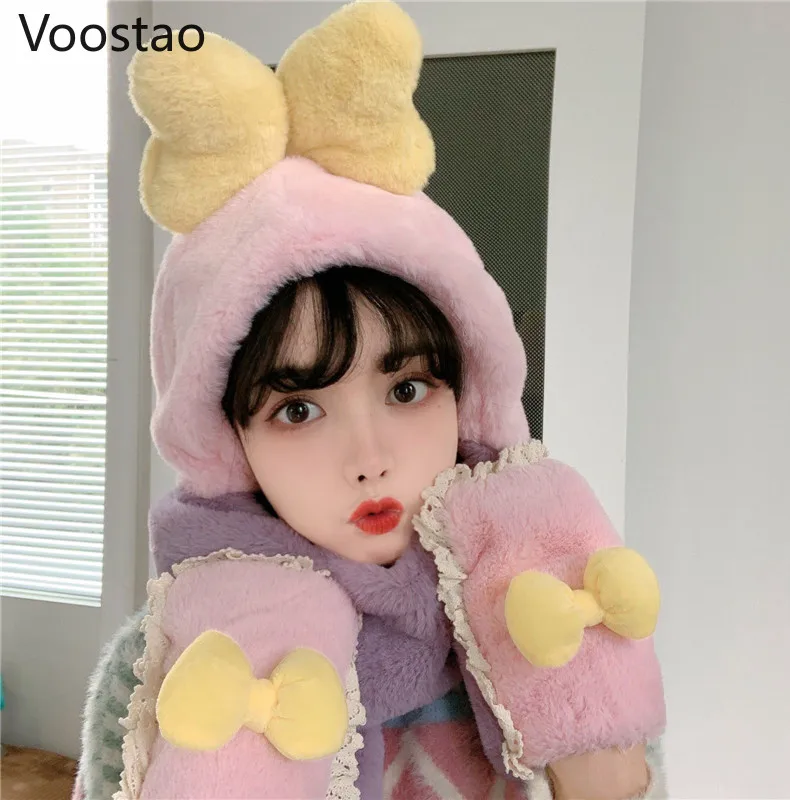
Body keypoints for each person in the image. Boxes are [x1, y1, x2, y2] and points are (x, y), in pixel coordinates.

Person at [73, 3, 666, 798]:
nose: (371, 459)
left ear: (468, 393)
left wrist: (602, 768)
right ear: (228, 440)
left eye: (407, 389)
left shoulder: (567, 605)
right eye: (298, 410)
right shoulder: (171, 663)